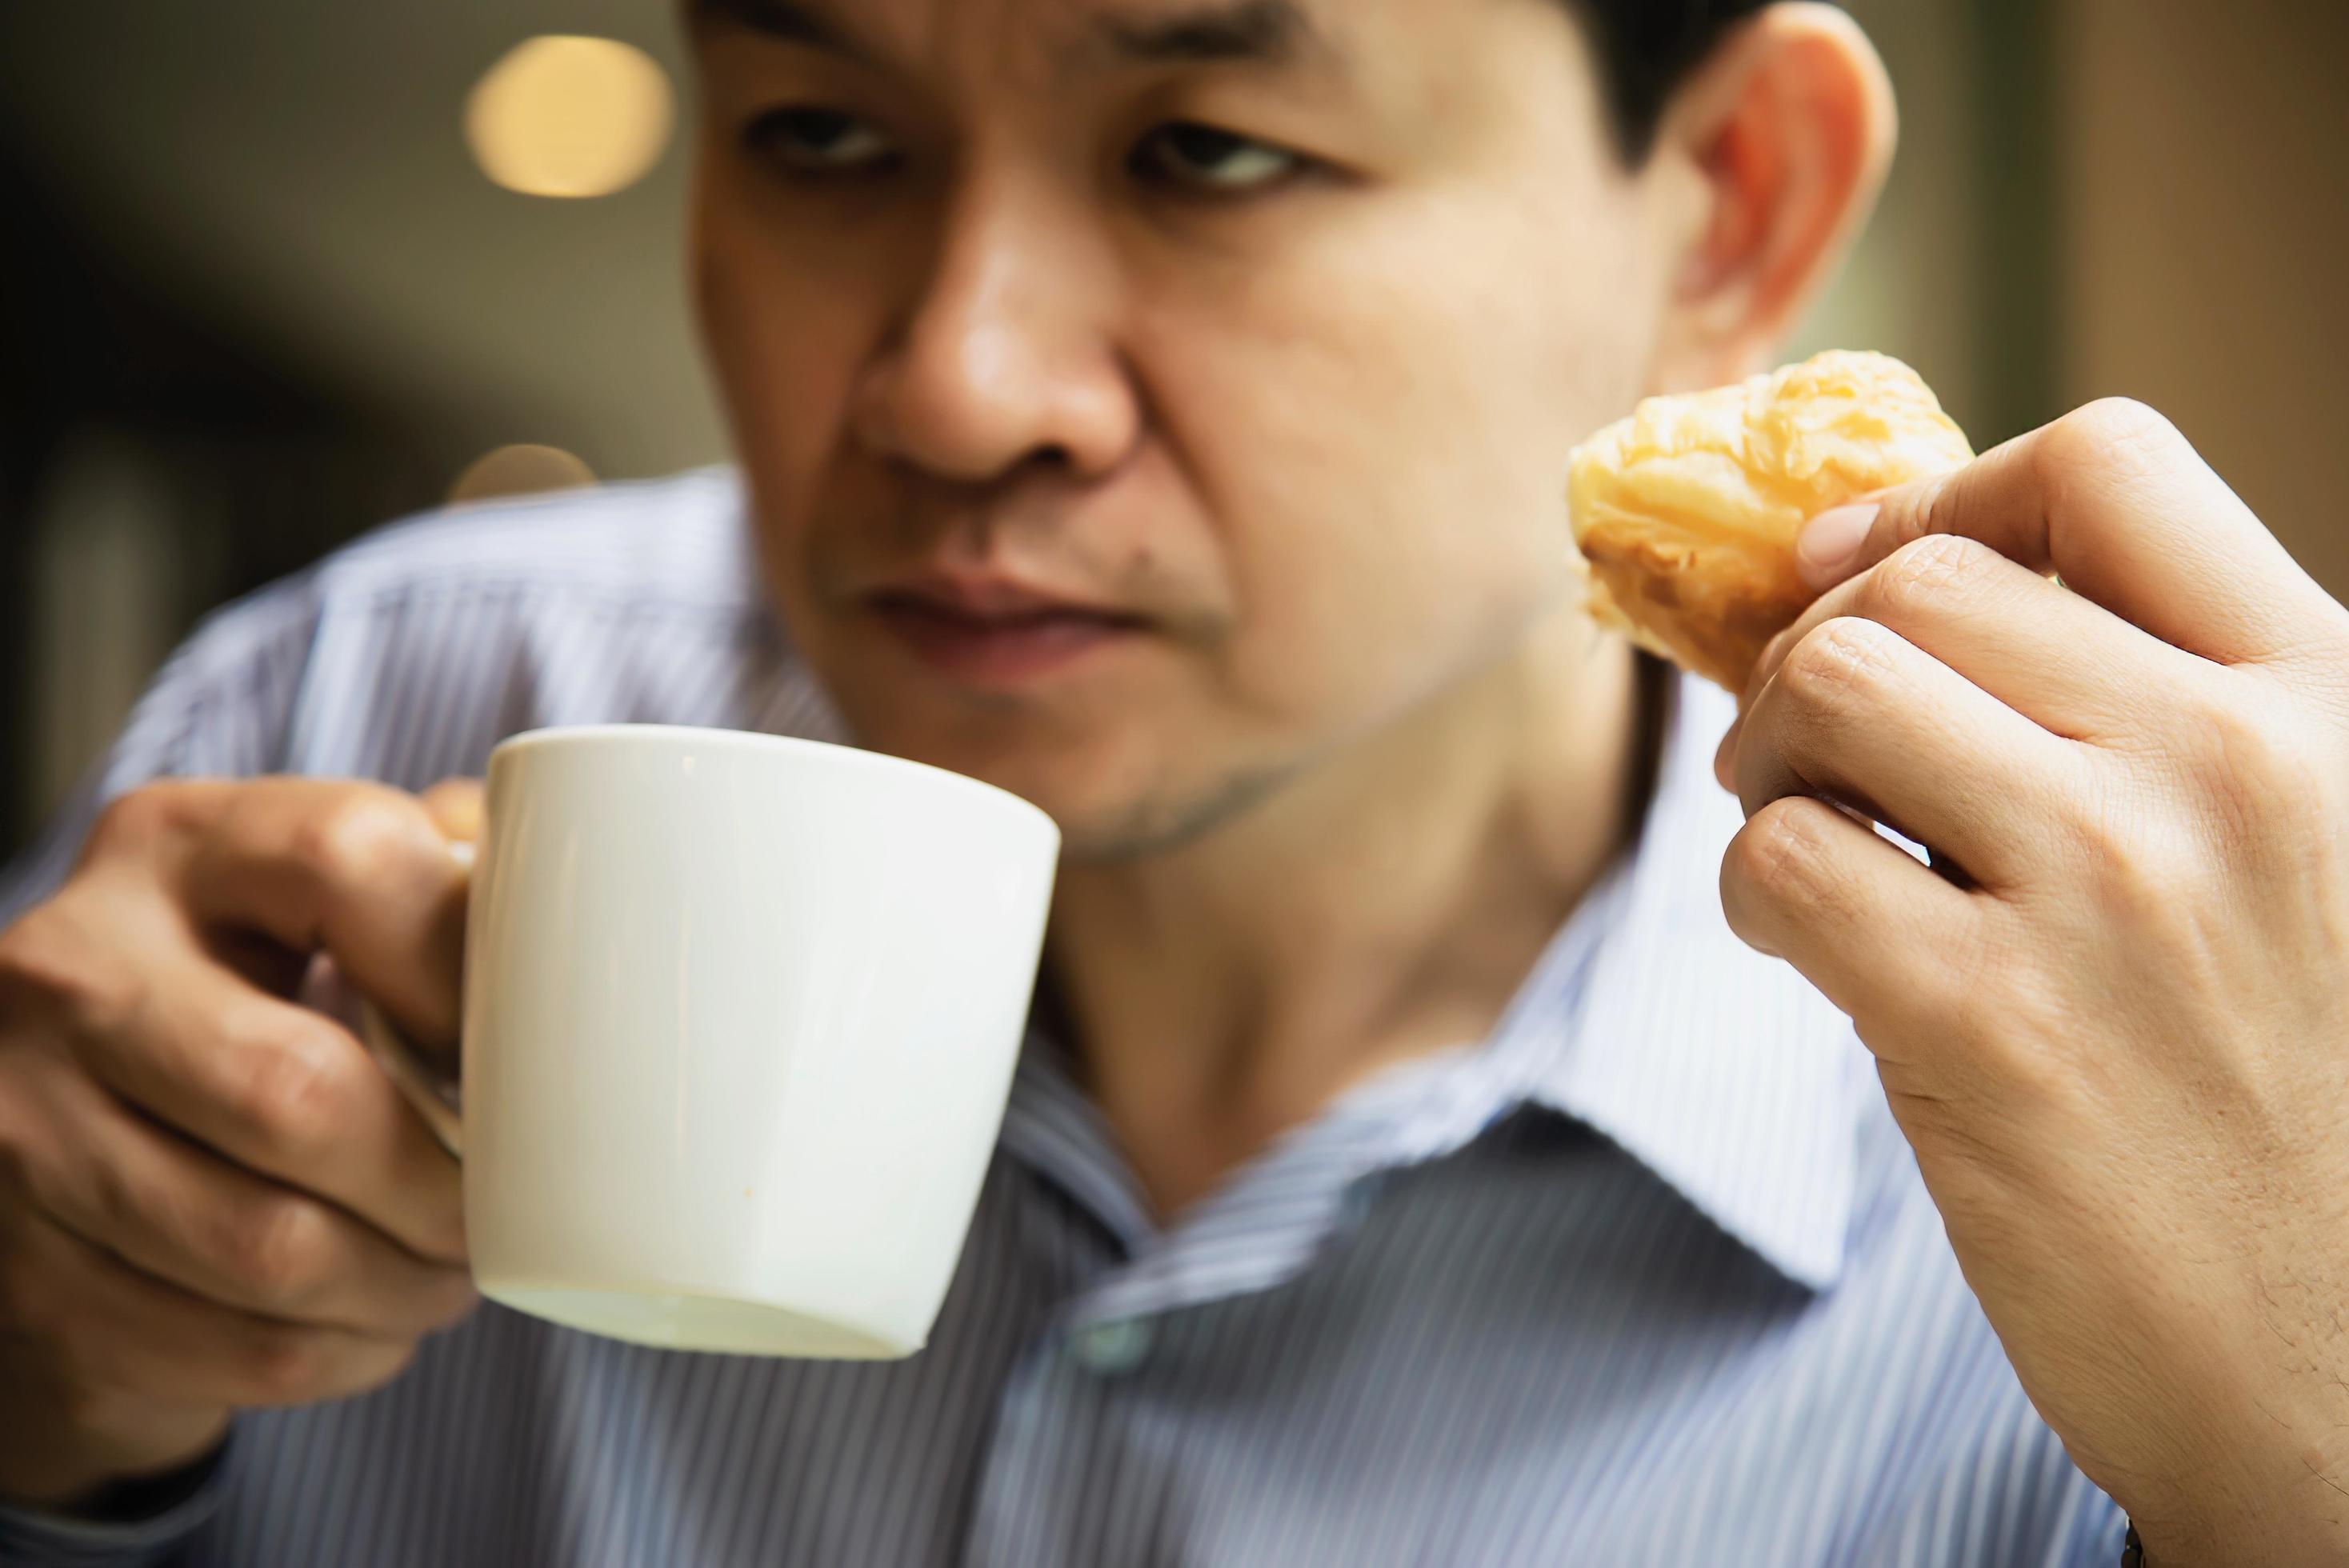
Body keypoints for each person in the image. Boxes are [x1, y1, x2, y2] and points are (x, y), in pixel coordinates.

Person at [2, 0, 2345, 1562]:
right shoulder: (353, 718)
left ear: (1729, 200)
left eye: (1208, 148)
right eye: (820, 134)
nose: (954, 386)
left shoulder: (2174, 1097)